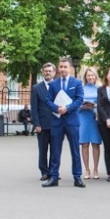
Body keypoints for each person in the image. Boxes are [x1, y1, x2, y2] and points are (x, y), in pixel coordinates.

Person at [43, 57, 85, 188]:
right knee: (55, 150)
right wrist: (56, 108)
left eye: (65, 67)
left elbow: (79, 99)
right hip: (57, 121)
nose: (63, 69)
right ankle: (54, 177)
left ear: (70, 68)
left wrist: (67, 108)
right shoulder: (53, 84)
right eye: (61, 67)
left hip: (72, 121)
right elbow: (48, 100)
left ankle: (77, 177)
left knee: (75, 150)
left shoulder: (77, 83)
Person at [30, 63, 56, 181]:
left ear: (54, 72)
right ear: (43, 72)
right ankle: (44, 172)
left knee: (55, 150)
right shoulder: (36, 88)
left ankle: (53, 171)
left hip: (56, 124)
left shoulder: (58, 86)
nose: (48, 73)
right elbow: (34, 108)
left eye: (50, 71)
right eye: (46, 71)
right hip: (43, 125)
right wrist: (36, 124)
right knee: (43, 150)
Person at [79, 67, 102, 179]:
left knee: (95, 143)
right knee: (84, 144)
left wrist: (94, 105)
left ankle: (96, 169)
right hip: (83, 117)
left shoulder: (100, 88)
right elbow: (76, 103)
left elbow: (103, 104)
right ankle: (87, 169)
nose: (90, 77)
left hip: (95, 118)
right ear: (85, 77)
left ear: (95, 76)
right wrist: (82, 106)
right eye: (88, 75)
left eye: (92, 75)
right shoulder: (81, 88)